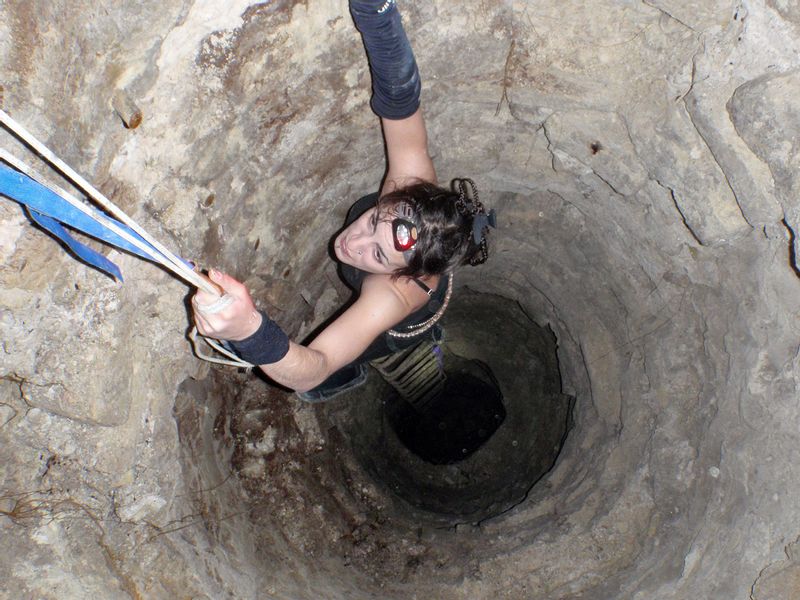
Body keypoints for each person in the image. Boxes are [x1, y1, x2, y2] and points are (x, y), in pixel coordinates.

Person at [192, 0, 495, 401]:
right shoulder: (409, 191)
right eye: (373, 223)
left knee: (355, 357)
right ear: (399, 198)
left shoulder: (391, 296)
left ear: (402, 274)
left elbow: (314, 366)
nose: (353, 243)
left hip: (397, 325)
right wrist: (377, 14)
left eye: (379, 256)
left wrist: (250, 331)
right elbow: (400, 95)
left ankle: (356, 375)